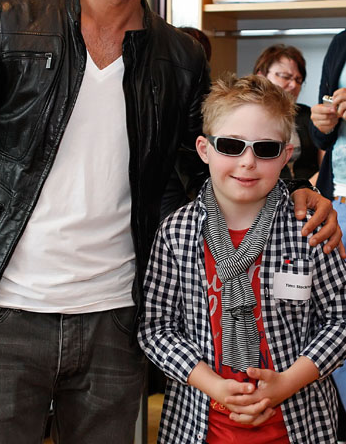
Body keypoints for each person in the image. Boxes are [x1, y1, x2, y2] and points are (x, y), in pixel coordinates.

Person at [0, 0, 340, 444]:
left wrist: (298, 191)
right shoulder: (8, 24)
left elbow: (221, 158)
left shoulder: (180, 58)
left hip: (118, 321)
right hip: (2, 315)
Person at [139, 74, 346, 444]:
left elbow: (340, 320)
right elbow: (156, 329)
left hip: (301, 425)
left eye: (265, 149)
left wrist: (286, 383)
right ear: (204, 149)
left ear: (286, 155)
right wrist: (213, 385)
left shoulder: (310, 228)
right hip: (197, 426)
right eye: (231, 146)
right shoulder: (176, 233)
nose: (248, 162)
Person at [310, 28, 346, 440]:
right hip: (337, 200)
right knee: (334, 318)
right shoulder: (341, 43)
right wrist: (322, 121)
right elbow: (323, 136)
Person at [254, 43, 324, 185]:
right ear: (261, 76)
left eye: (299, 80)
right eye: (285, 77)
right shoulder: (246, 116)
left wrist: (307, 189)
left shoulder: (307, 115)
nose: (293, 85)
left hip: (309, 191)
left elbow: (325, 164)